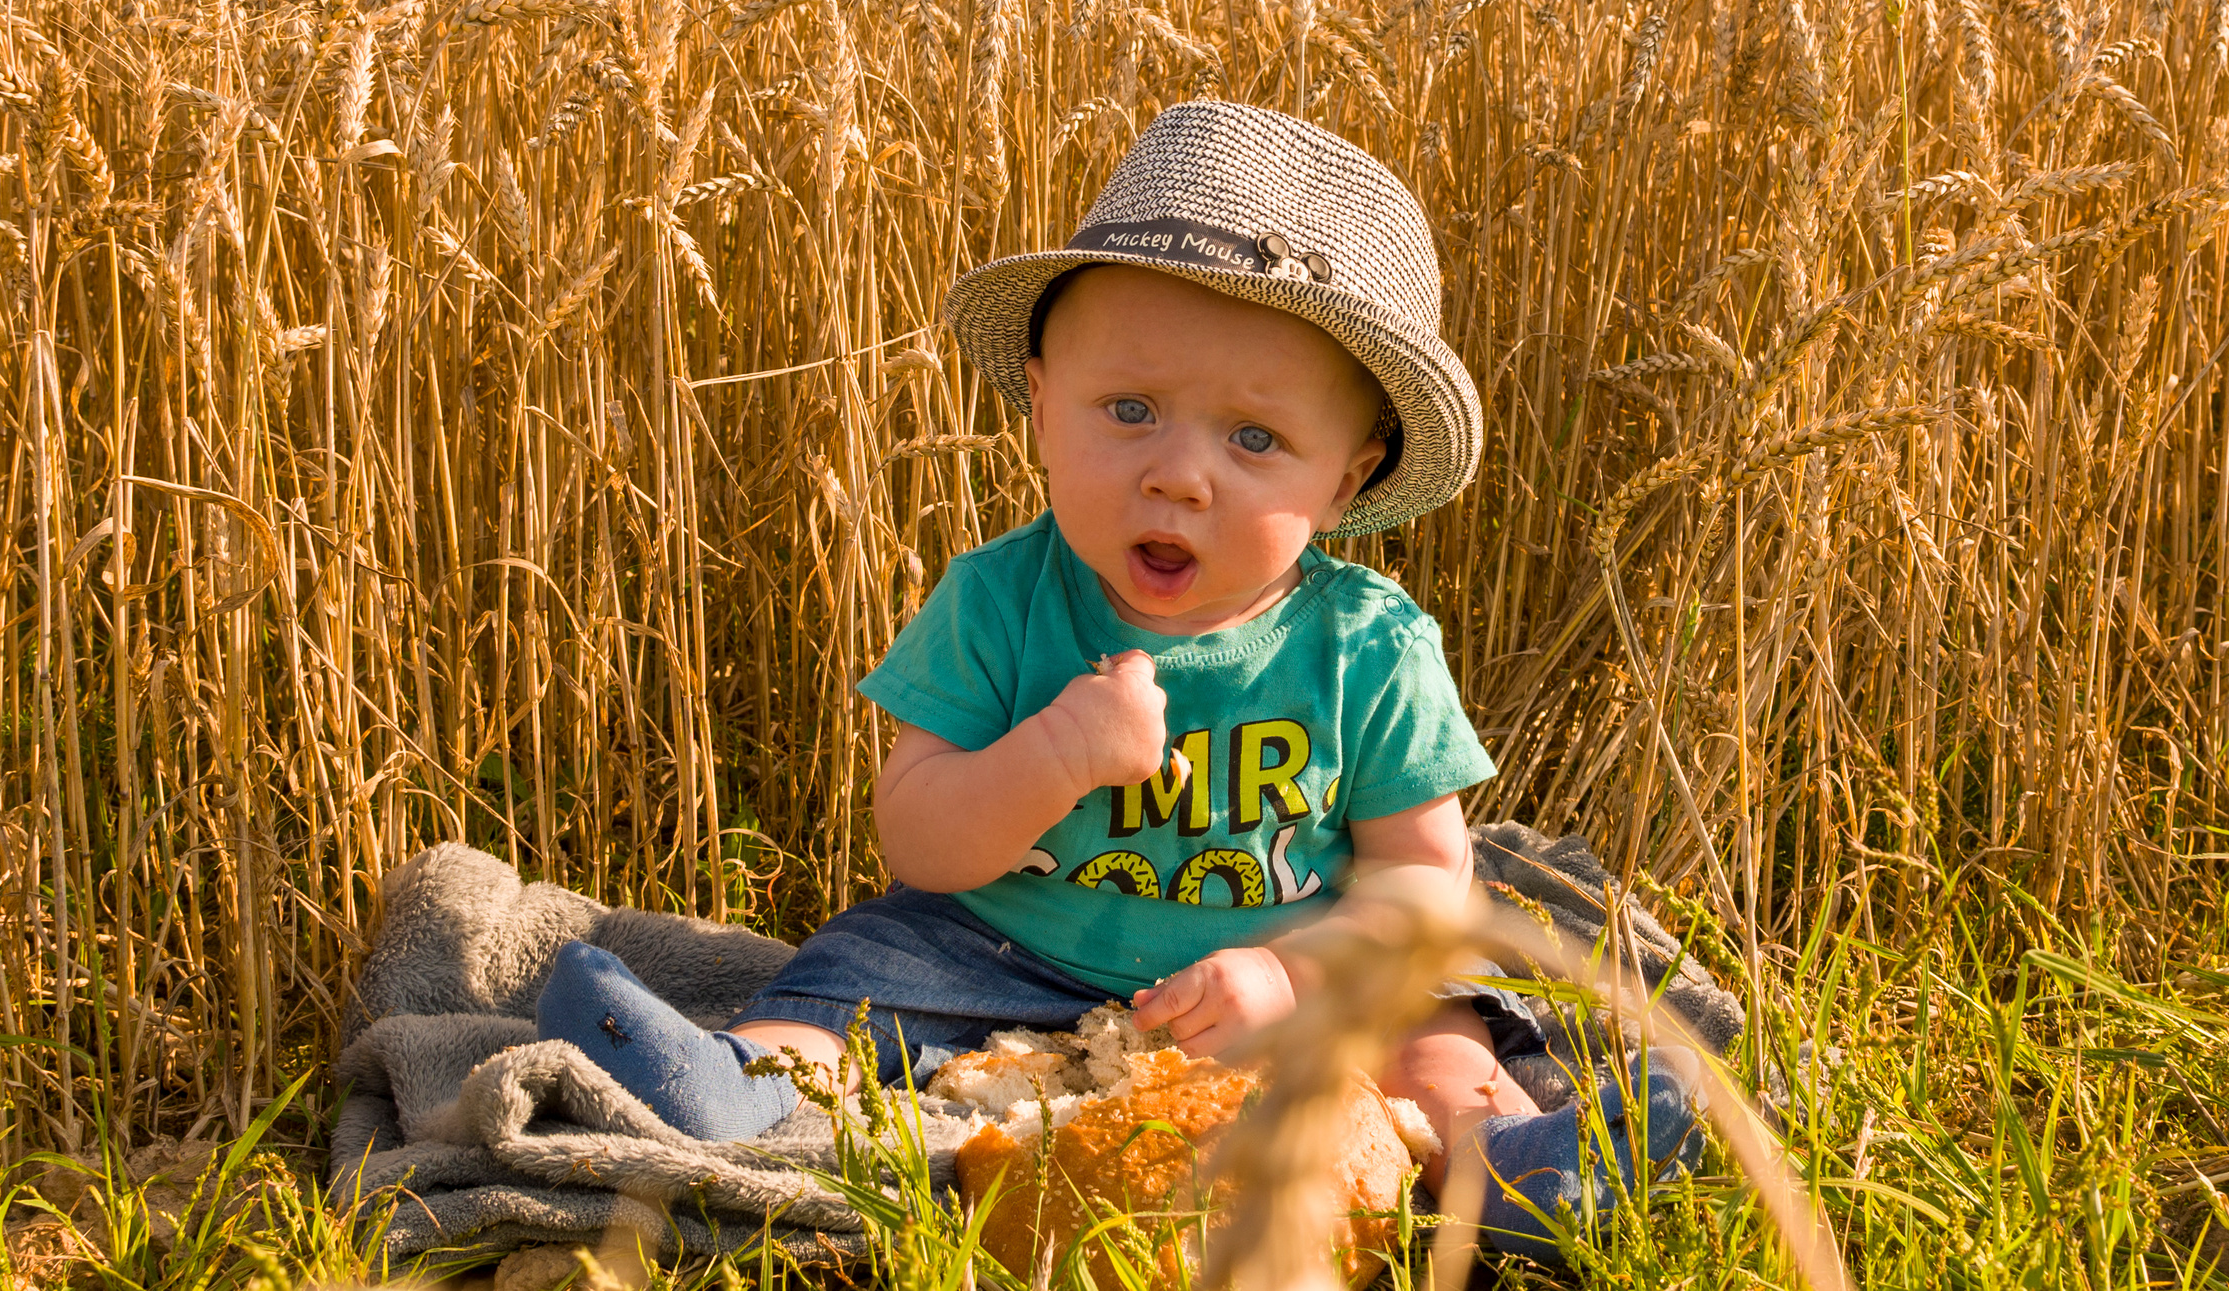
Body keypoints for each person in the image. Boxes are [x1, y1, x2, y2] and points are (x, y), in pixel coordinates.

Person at [530, 102, 1699, 1257]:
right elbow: (923, 845)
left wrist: (1290, 975)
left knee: (1438, 1026)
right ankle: (735, 1085)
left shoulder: (1367, 646)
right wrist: (1054, 757)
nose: (1178, 475)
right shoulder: (997, 602)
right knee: (850, 976)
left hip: (1291, 976)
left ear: (1349, 480)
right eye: (1128, 411)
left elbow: (1423, 891)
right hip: (997, 955)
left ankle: (1506, 1164)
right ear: (1041, 405)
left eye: (1254, 440)